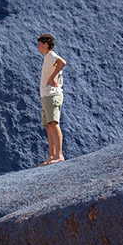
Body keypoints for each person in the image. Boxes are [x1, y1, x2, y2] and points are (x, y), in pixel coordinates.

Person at [37, 33, 67, 166]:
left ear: (46, 44)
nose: (38, 47)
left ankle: (59, 155)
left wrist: (52, 78)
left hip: (52, 95)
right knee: (48, 126)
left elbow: (62, 62)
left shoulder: (51, 55)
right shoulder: (47, 58)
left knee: (54, 124)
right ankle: (51, 156)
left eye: (39, 44)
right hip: (46, 96)